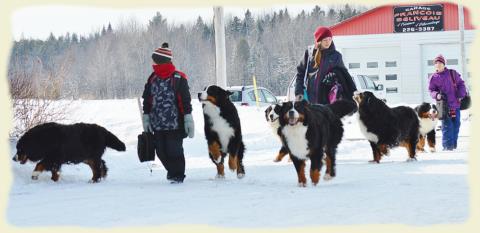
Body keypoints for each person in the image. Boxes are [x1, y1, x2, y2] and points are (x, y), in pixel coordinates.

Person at [142, 42, 194, 183]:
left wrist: (188, 118)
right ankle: (172, 172)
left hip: (175, 125)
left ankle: (177, 175)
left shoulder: (179, 78)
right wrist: (146, 117)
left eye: (154, 60)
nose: (153, 63)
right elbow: (147, 99)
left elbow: (185, 100)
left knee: (174, 151)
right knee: (160, 151)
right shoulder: (152, 79)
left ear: (160, 61)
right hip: (157, 124)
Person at [295, 26, 356, 104]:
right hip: (310, 100)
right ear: (319, 41)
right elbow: (300, 74)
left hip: (328, 100)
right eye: (325, 40)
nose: (328, 42)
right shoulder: (309, 53)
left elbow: (345, 75)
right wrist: (299, 92)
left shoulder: (336, 56)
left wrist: (334, 77)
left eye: (330, 39)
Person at [429, 54, 466, 151]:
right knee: (446, 126)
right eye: (436, 63)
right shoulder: (433, 77)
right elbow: (431, 90)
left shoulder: (452, 73)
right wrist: (437, 95)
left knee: (456, 125)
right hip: (442, 106)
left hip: (455, 104)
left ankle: (453, 146)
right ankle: (447, 147)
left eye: (440, 62)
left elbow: (461, 84)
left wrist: (461, 94)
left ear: (444, 64)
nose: (438, 64)